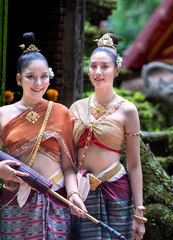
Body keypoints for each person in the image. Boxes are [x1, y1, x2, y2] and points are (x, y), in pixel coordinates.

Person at [0, 32, 86, 239]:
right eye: (31, 77)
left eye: (44, 77)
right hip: (15, 200)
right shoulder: (3, 114)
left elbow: (68, 167)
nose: (38, 83)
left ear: (49, 76)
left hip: (55, 198)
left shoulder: (61, 112)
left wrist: (74, 195)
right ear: (19, 79)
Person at [69, 33, 146, 240]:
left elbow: (134, 164)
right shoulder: (76, 108)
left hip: (117, 191)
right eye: (93, 66)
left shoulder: (127, 110)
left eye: (105, 66)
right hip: (82, 192)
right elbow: (67, 157)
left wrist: (139, 213)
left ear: (117, 70)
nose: (98, 72)